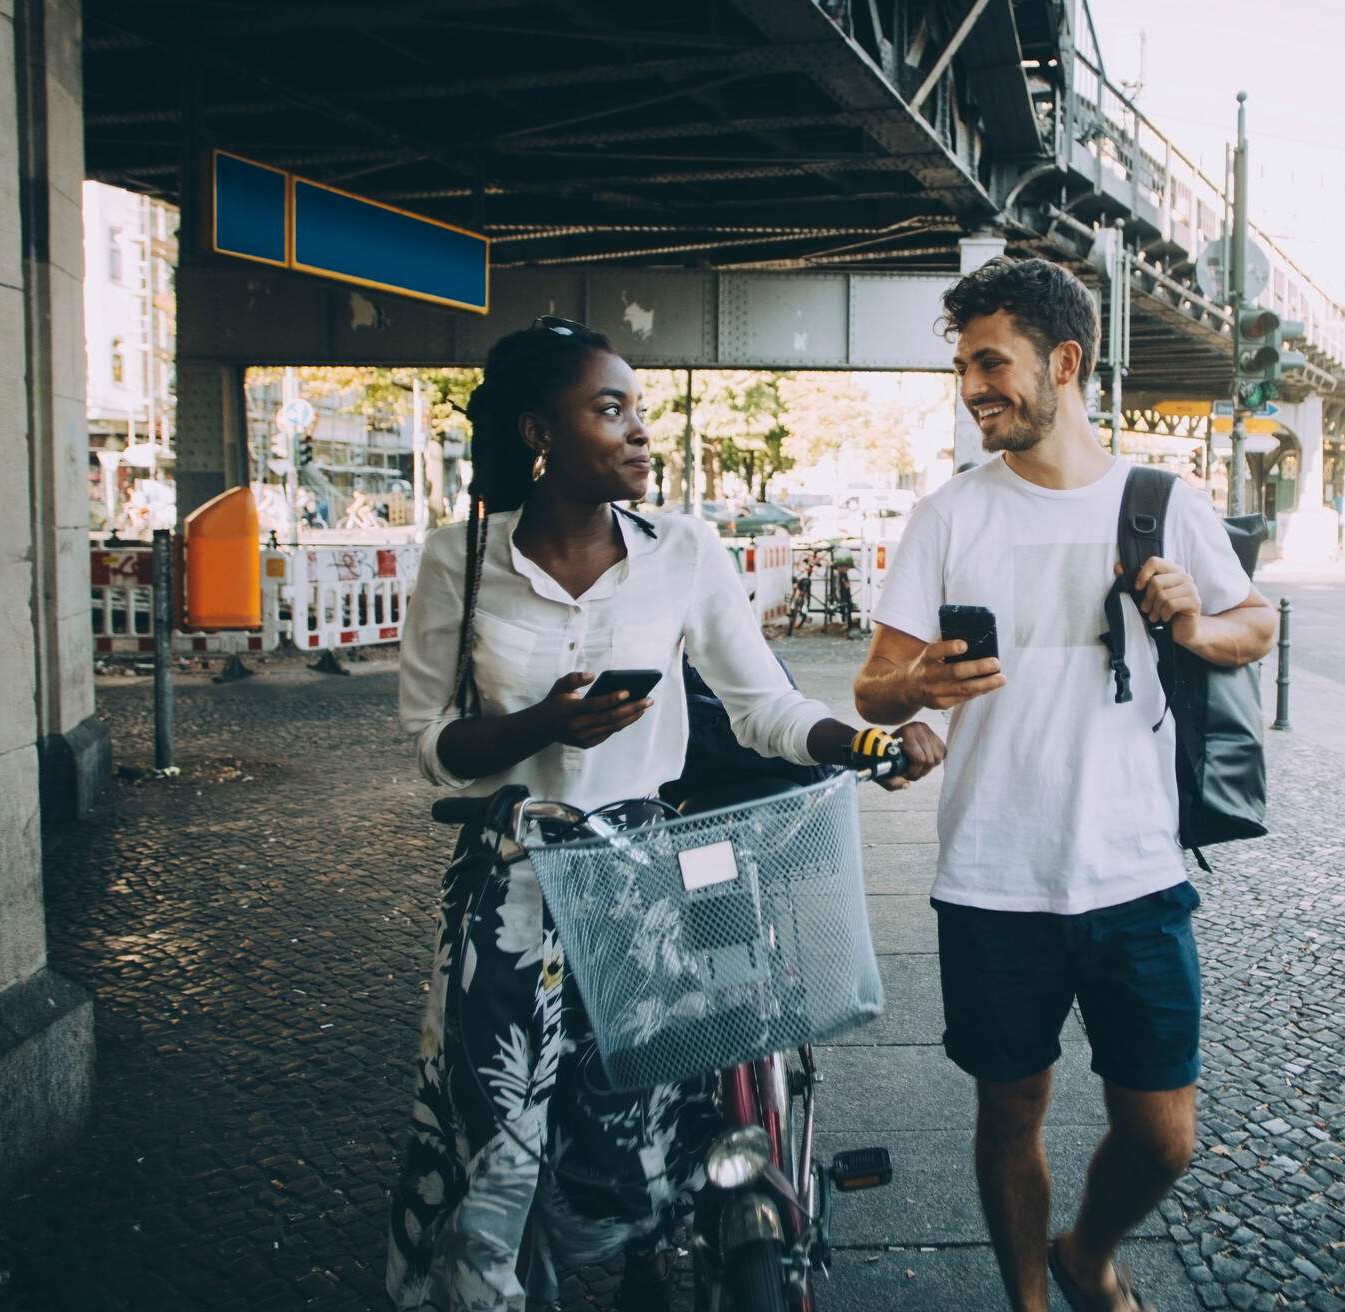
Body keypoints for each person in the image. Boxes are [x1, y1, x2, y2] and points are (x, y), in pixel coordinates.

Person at [388, 316, 943, 1312]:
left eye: (640, 408)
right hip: (506, 893)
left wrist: (858, 742)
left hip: (637, 880)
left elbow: (761, 706)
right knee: (497, 1151)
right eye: (612, 409)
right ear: (538, 431)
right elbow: (433, 741)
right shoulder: (456, 557)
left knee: (629, 1152)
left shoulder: (683, 550)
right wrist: (540, 725)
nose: (641, 431)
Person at [854, 259, 1275, 1312]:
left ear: (1066, 362)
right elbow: (873, 687)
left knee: (1163, 1137)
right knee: (1012, 1110)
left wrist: (1191, 621)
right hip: (994, 876)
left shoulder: (1163, 502)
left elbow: (1254, 623)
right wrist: (918, 682)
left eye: (991, 362)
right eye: (963, 366)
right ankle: (1032, 1303)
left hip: (1136, 871)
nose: (972, 386)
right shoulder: (950, 517)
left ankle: (1088, 1249)